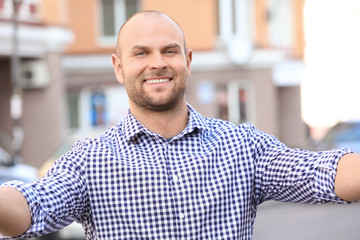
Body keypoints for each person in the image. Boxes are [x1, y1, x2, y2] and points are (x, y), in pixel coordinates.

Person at [0, 10, 360, 240]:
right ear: (118, 66)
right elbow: (32, 206)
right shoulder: (88, 161)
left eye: (169, 51)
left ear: (187, 60)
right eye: (141, 53)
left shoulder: (241, 146)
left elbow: (320, 173)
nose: (157, 63)